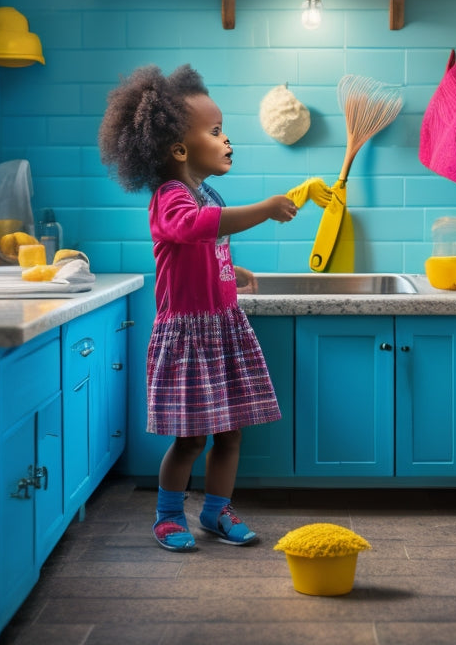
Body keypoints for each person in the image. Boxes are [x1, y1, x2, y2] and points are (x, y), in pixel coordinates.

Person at [98, 64, 297, 551]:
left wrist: (236, 270)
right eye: (216, 131)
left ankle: (216, 511)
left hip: (222, 329)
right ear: (181, 149)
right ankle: (168, 516)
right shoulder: (169, 197)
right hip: (188, 337)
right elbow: (195, 227)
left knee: (230, 434)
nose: (227, 140)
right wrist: (266, 209)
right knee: (190, 440)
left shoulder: (205, 192)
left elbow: (209, 240)